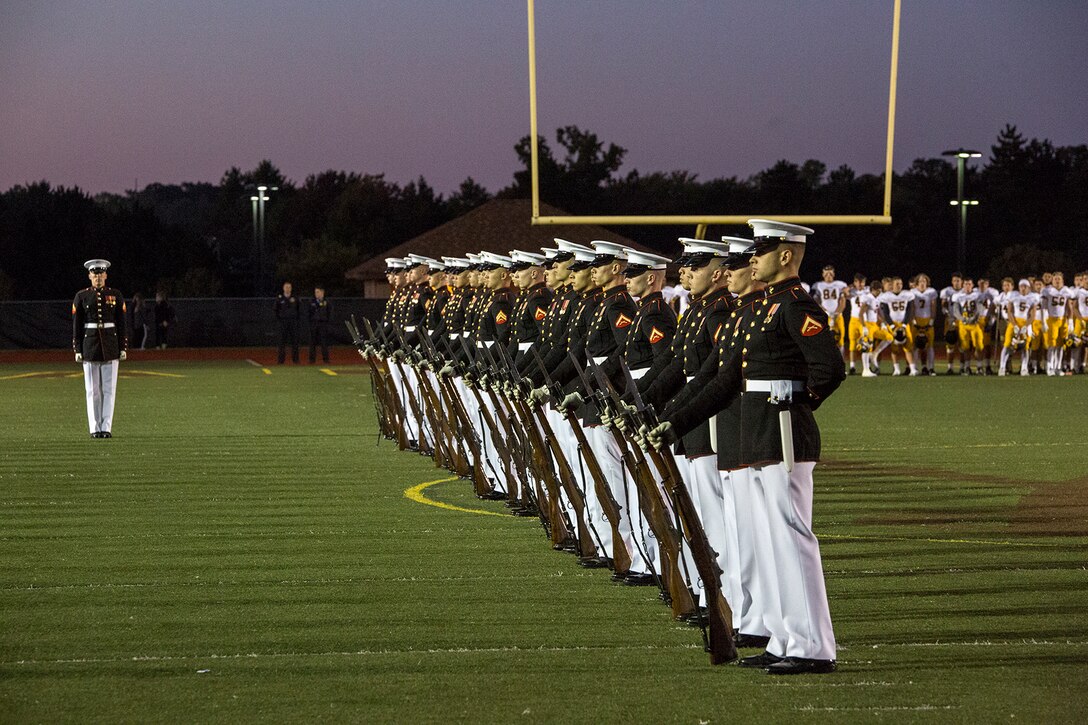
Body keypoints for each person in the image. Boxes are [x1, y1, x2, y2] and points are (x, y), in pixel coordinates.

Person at [649, 219, 844, 675]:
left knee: (790, 541)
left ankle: (813, 645)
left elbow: (829, 369)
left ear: (787, 255)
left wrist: (796, 405)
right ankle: (783, 635)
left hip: (779, 432)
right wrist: (674, 423)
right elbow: (724, 381)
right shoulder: (758, 310)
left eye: (763, 249)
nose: (752, 258)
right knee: (767, 542)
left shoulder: (796, 306)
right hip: (755, 435)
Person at [72, 259, 127, 438]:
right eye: (94, 274)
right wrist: (77, 348)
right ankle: (95, 428)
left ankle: (107, 427)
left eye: (100, 274)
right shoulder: (81, 296)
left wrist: (123, 347)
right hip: (89, 344)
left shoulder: (115, 294)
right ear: (89, 276)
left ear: (105, 275)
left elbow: (122, 323)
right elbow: (77, 324)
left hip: (110, 344)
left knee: (109, 389)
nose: (97, 277)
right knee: (92, 390)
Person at [275, 281, 300, 364]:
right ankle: (281, 360)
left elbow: (299, 309)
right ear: (283, 288)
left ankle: (295, 360)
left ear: (291, 288)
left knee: (295, 341)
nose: (287, 289)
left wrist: (296, 318)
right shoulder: (279, 298)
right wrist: (280, 318)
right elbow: (276, 310)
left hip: (293, 322)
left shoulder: (295, 298)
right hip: (283, 322)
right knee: (281, 342)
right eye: (286, 287)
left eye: (289, 287)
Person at [308, 285, 333, 364]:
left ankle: (326, 360)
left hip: (323, 324)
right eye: (315, 292)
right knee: (312, 343)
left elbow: (329, 313)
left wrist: (326, 321)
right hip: (314, 324)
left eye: (318, 292)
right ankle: (312, 360)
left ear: (322, 292)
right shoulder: (311, 302)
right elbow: (308, 313)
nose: (316, 294)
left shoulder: (327, 302)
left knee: (324, 343)